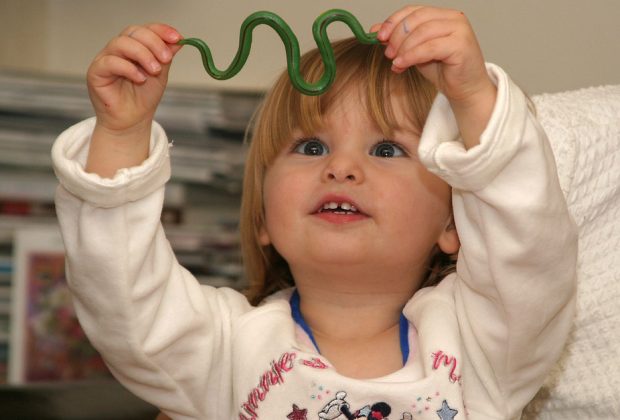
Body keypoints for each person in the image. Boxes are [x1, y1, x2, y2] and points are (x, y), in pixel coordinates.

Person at [51, 5, 577, 419]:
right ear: (262, 216)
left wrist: (475, 98)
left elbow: (529, 251)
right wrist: (121, 135)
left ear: (455, 223)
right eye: (310, 147)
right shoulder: (223, 351)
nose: (341, 168)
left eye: (386, 150)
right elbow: (122, 296)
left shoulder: (484, 344)